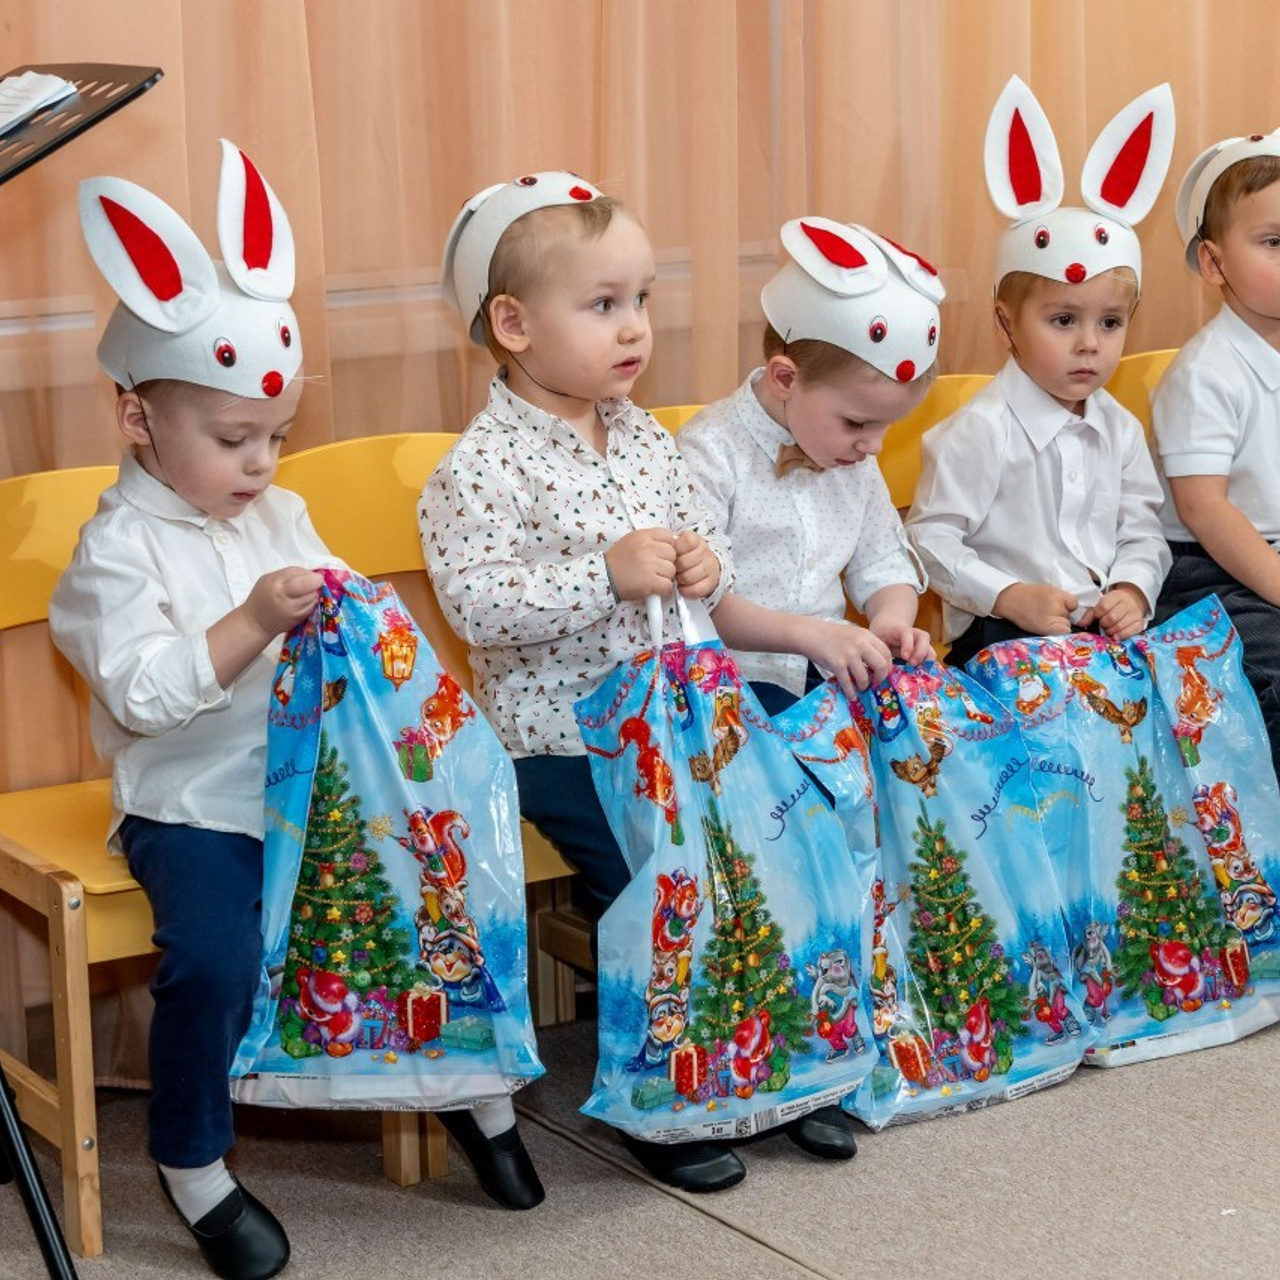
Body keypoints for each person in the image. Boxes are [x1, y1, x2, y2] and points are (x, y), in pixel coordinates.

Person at [50, 146, 537, 1280]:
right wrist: (249, 622)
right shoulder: (111, 553)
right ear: (137, 418)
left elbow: (342, 631)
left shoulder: (284, 507)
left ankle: (463, 1084)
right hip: (196, 803)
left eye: (274, 433)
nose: (263, 461)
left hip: (316, 787)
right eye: (233, 439)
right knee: (215, 956)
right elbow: (143, 691)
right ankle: (193, 1162)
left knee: (440, 883)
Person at [425, 171, 782, 1193]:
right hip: (560, 739)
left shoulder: (641, 433)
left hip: (670, 713)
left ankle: (771, 1061)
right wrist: (603, 573)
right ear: (512, 323)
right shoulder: (478, 467)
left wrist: (703, 563)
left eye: (642, 299)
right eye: (602, 304)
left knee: (759, 830)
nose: (634, 328)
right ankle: (657, 1095)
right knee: (649, 877)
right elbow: (476, 607)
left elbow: (692, 533)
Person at [906, 76, 1174, 669]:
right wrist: (1008, 595)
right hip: (1005, 636)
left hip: (1098, 636)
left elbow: (1143, 532)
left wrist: (1131, 588)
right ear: (1006, 325)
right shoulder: (980, 431)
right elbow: (928, 540)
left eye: (1110, 323)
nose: (1089, 345)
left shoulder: (1122, 430)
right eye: (1062, 320)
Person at [679, 215, 940, 719]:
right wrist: (814, 636)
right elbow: (699, 601)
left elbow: (882, 561)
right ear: (785, 379)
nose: (875, 447)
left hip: (829, 677)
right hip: (730, 686)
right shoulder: (708, 453)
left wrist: (891, 621)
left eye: (888, 426)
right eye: (858, 422)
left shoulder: (851, 453)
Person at [1150, 128, 1280, 778]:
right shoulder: (1206, 374)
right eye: (1274, 242)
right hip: (1209, 572)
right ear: (1213, 263)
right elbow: (1206, 510)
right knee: (1272, 665)